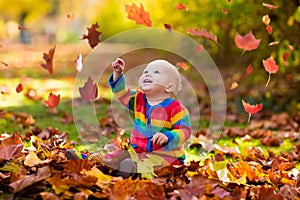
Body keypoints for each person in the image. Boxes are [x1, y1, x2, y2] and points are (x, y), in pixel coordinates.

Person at [109, 58, 192, 178]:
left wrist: (168, 136)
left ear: (169, 87)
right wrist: (118, 74)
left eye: (156, 72)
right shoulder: (138, 99)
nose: (147, 74)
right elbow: (122, 94)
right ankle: (93, 162)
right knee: (117, 155)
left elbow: (185, 131)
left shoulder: (176, 108)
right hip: (138, 152)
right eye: (145, 72)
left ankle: (133, 171)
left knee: (152, 165)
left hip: (166, 157)